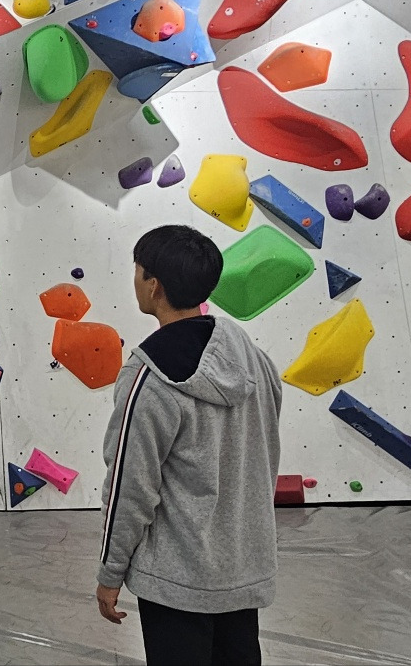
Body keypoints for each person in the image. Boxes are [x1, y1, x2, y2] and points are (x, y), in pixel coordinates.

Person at [94, 224, 282, 666]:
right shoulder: (254, 360)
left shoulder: (149, 375)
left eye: (137, 270)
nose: (135, 279)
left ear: (154, 285)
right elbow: (264, 455)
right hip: (243, 569)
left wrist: (110, 572)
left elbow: (129, 487)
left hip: (177, 582)